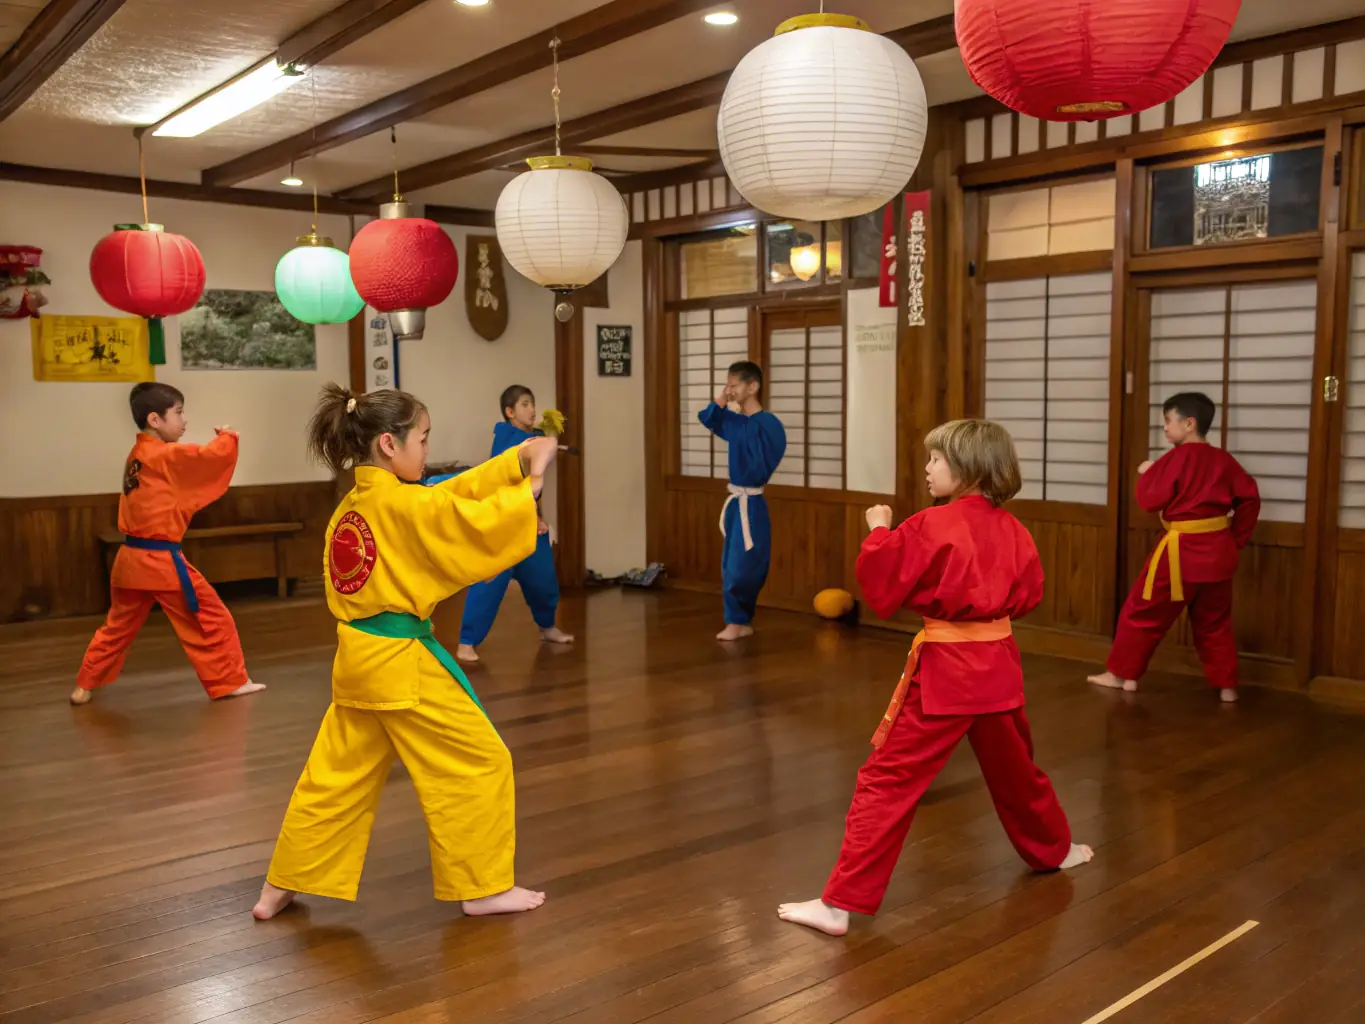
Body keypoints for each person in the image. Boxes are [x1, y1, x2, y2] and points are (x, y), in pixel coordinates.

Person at [252, 384, 558, 921]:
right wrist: (530, 484)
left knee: (336, 777)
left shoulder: (355, 504)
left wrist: (514, 461)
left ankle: (282, 883)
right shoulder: (405, 504)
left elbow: (446, 493)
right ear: (390, 445)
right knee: (479, 761)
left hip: (357, 661)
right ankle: (482, 886)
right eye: (423, 438)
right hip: (401, 665)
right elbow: (454, 514)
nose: (426, 449)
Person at [778, 419, 1091, 937]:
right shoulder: (1015, 530)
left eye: (936, 459)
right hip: (998, 664)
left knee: (886, 780)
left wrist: (879, 530)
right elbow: (1030, 594)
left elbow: (882, 578)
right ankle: (1054, 851)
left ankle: (840, 903)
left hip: (948, 670)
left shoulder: (931, 524)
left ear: (967, 467)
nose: (927, 468)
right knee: (1017, 771)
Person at [72, 382, 263, 706]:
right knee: (212, 618)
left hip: (129, 561)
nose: (184, 420)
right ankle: (230, 681)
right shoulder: (163, 455)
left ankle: (84, 685)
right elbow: (207, 457)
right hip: (159, 563)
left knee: (117, 627)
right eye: (178, 412)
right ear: (155, 419)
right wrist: (228, 437)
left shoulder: (138, 456)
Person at [1088, 392, 1260, 703]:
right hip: (1219, 553)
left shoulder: (1174, 459)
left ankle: (1122, 676)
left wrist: (1148, 472)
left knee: (1142, 613)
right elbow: (1250, 499)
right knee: (1215, 622)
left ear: (1189, 423)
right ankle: (1227, 687)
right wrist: (1235, 539)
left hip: (1180, 553)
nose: (1166, 428)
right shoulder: (1225, 461)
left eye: (1169, 421)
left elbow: (1149, 500)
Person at [428, 385, 572, 664]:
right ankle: (467, 641)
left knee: (543, 580)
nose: (532, 409)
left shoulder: (530, 437)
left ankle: (547, 627)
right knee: (489, 585)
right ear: (510, 412)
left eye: (532, 403)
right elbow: (509, 483)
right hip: (505, 527)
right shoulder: (509, 440)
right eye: (525, 404)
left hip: (530, 525)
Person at [698, 361, 786, 641]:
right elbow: (708, 417)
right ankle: (737, 621)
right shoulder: (737, 423)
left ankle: (739, 620)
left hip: (753, 502)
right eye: (728, 385)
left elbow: (763, 461)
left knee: (745, 565)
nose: (730, 390)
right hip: (736, 502)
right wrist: (721, 401)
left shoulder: (769, 425)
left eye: (734, 385)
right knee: (730, 564)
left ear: (753, 386)